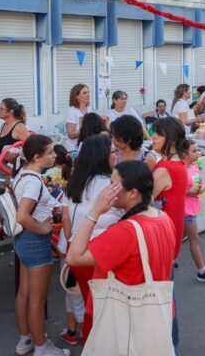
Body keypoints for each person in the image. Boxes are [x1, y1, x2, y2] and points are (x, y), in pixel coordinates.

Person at [66, 161, 177, 351]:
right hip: (156, 310)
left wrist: (94, 212)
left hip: (128, 316)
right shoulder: (163, 217)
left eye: (113, 185)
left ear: (133, 193)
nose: (106, 191)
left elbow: (73, 257)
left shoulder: (126, 231)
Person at [59, 134, 123, 345]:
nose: (116, 156)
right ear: (102, 156)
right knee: (101, 305)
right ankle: (98, 344)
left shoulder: (74, 183)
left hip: (77, 247)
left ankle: (90, 342)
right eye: (114, 152)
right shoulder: (110, 185)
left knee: (90, 301)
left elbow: (67, 218)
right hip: (98, 250)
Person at [12, 135, 67, 356]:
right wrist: (44, 229)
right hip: (34, 240)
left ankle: (26, 339)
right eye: (51, 152)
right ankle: (41, 348)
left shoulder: (23, 175)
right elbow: (22, 216)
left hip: (24, 241)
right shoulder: (34, 181)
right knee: (37, 299)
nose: (54, 156)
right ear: (37, 156)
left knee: (24, 293)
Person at [151, 116, 189, 349]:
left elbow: (142, 201)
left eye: (158, 134)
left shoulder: (165, 168)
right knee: (166, 294)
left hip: (162, 237)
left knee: (162, 298)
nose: (153, 138)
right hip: (171, 234)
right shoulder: (177, 164)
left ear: (172, 140)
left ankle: (168, 347)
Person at [181, 139, 205, 283]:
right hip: (184, 210)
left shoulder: (195, 166)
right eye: (193, 151)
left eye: (197, 150)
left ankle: (167, 258)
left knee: (179, 237)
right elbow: (174, 190)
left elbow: (200, 183)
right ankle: (202, 271)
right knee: (194, 239)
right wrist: (188, 191)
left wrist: (201, 188)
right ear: (184, 154)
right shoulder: (179, 169)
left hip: (192, 206)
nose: (198, 153)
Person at [64, 84, 93, 153]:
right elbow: (71, 134)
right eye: (84, 93)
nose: (88, 95)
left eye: (88, 92)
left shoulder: (90, 108)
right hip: (74, 150)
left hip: (87, 147)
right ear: (77, 96)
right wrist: (87, 129)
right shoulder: (71, 111)